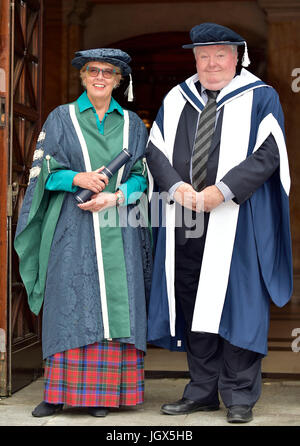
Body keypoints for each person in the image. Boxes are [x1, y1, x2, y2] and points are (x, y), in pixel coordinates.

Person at [146, 23, 293, 423]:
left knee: (239, 303)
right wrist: (175, 186)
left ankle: (240, 395)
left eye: (220, 55)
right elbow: (154, 150)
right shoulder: (177, 98)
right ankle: (202, 390)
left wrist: (222, 191)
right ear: (195, 59)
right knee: (193, 300)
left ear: (237, 56)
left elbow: (268, 154)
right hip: (186, 218)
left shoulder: (261, 97)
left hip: (237, 218)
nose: (211, 63)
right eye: (203, 55)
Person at [14, 48, 152, 418]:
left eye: (108, 72)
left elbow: (142, 175)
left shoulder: (133, 124)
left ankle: (103, 396)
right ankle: (57, 393)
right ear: (83, 75)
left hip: (117, 224)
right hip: (72, 225)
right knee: (68, 299)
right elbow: (43, 170)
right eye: (93, 70)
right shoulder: (62, 118)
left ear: (119, 80)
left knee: (114, 306)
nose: (100, 77)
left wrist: (118, 195)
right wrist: (77, 177)